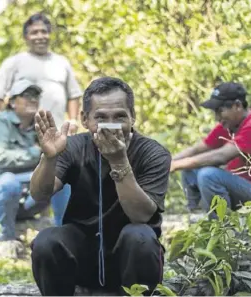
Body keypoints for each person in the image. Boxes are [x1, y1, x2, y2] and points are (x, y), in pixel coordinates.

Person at [29, 77, 171, 296]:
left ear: (133, 117)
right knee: (46, 241)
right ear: (85, 119)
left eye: (120, 116)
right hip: (82, 252)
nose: (110, 125)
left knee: (139, 236)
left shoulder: (153, 154)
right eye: (101, 117)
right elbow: (40, 194)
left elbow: (141, 216)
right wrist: (48, 159)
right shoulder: (74, 146)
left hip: (133, 259)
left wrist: (119, 161)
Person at [0, 12, 83, 224]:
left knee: (56, 177)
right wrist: (14, 118)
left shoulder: (61, 62)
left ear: (50, 35)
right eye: (34, 32)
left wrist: (72, 120)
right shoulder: (16, 62)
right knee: (22, 176)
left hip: (54, 133)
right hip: (28, 133)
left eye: (44, 31)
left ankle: (60, 225)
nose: (40, 36)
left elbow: (74, 94)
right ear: (26, 37)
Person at [0, 78, 71, 259]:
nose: (33, 99)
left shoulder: (40, 126)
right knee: (9, 182)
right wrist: (36, 152)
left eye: (36, 96)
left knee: (62, 181)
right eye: (26, 95)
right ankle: (6, 239)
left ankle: (64, 233)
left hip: (26, 198)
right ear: (12, 102)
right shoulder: (1, 122)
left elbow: (55, 160)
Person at [170, 82, 251, 219]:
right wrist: (167, 162)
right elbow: (197, 149)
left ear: (237, 105)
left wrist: (175, 165)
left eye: (220, 111)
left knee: (208, 175)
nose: (217, 117)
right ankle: (197, 217)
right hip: (242, 188)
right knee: (189, 169)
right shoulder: (230, 125)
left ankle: (221, 229)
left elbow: (221, 156)